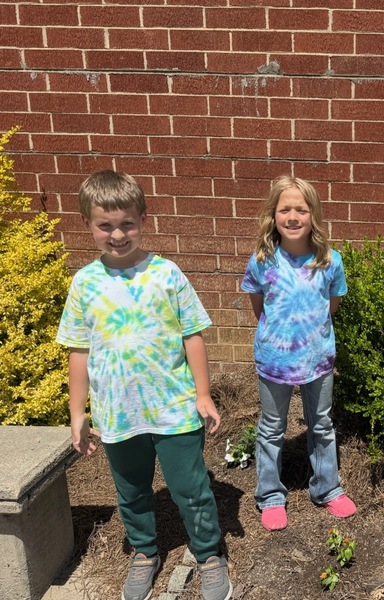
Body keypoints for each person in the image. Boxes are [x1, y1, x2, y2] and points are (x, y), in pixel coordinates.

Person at [56, 170, 232, 600]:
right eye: (105, 225)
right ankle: (144, 552)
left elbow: (193, 334)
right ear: (87, 224)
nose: (117, 234)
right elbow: (78, 350)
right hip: (118, 412)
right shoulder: (85, 283)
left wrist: (203, 394)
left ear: (143, 219)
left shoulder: (166, 274)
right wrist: (78, 413)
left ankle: (209, 554)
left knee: (190, 488)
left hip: (173, 406)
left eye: (127, 224)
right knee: (131, 491)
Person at [241, 175, 356, 531]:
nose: (293, 217)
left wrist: (309, 337)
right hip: (274, 361)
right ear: (273, 215)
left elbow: (331, 306)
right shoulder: (262, 260)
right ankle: (271, 495)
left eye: (301, 210)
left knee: (321, 425)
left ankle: (327, 487)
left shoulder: (329, 261)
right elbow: (259, 306)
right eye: (285, 209)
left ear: (313, 215)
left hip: (317, 359)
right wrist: (281, 337)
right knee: (272, 428)